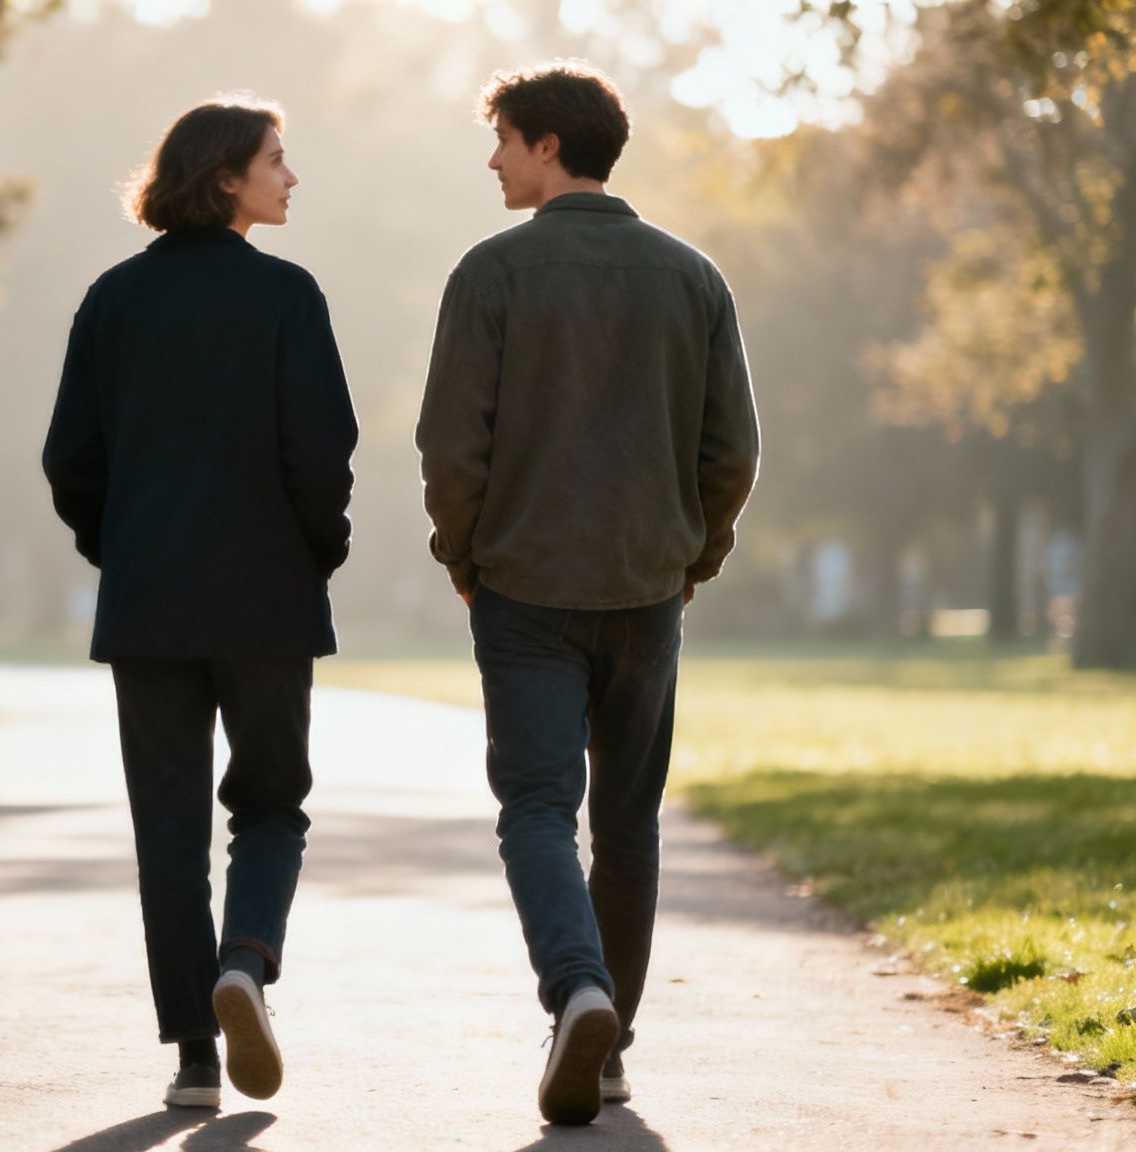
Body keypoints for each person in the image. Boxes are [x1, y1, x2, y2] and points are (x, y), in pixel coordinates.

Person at [415, 62, 760, 1127]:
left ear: (548, 145)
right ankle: (608, 1049)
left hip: (523, 586)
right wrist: (688, 560)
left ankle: (576, 992)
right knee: (626, 820)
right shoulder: (692, 275)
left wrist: (462, 557)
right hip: (644, 589)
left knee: (533, 806)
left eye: (503, 140)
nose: (492, 160)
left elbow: (449, 447)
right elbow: (730, 451)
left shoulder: (490, 273)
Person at [41, 95, 358, 1112]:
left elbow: (70, 461)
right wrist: (318, 551)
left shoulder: (110, 300)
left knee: (166, 830)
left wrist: (120, 548)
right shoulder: (286, 297)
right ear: (224, 177)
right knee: (269, 804)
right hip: (266, 597)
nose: (289, 176)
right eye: (276, 160)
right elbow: (320, 457)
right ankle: (245, 964)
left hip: (148, 605)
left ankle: (191, 1057)